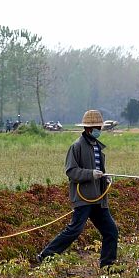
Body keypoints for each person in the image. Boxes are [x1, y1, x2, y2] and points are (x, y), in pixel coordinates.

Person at [37, 109, 118, 268]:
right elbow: (71, 171)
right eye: (96, 128)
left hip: (98, 198)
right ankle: (45, 255)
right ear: (88, 129)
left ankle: (108, 265)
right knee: (74, 230)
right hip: (84, 198)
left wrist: (105, 177)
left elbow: (98, 169)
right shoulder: (77, 146)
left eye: (100, 127)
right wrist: (90, 174)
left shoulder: (97, 147)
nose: (99, 130)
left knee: (111, 231)